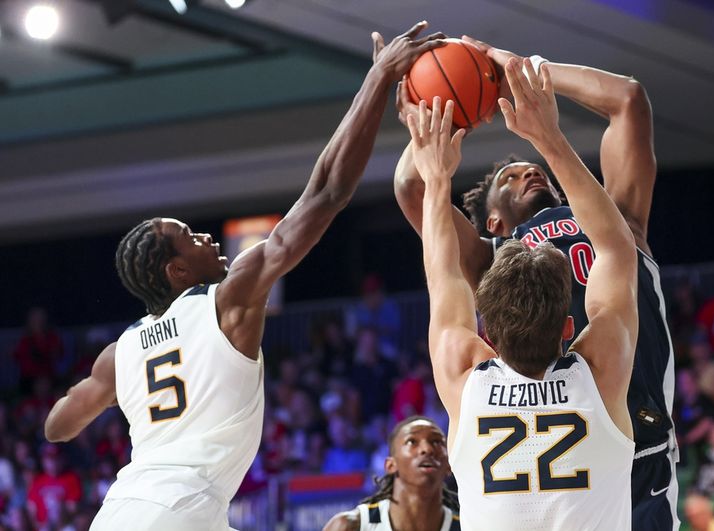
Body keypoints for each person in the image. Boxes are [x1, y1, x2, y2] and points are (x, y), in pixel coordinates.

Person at [42, 22, 444, 531]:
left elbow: (59, 426)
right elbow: (326, 192)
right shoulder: (226, 300)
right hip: (180, 513)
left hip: (122, 511)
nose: (208, 238)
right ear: (178, 270)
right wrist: (379, 78)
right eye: (190, 236)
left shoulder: (119, 354)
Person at [394, 37, 678, 530]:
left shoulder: (619, 217)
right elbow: (411, 189)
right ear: (495, 225)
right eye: (509, 179)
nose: (528, 170)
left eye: (532, 168)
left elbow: (628, 100)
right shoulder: (492, 258)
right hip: (599, 413)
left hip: (637, 451)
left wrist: (514, 72)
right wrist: (462, 103)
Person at [324, 417, 459, 531]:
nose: (427, 449)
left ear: (449, 466)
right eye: (412, 441)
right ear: (391, 465)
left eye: (436, 442)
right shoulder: (351, 526)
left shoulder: (467, 527)